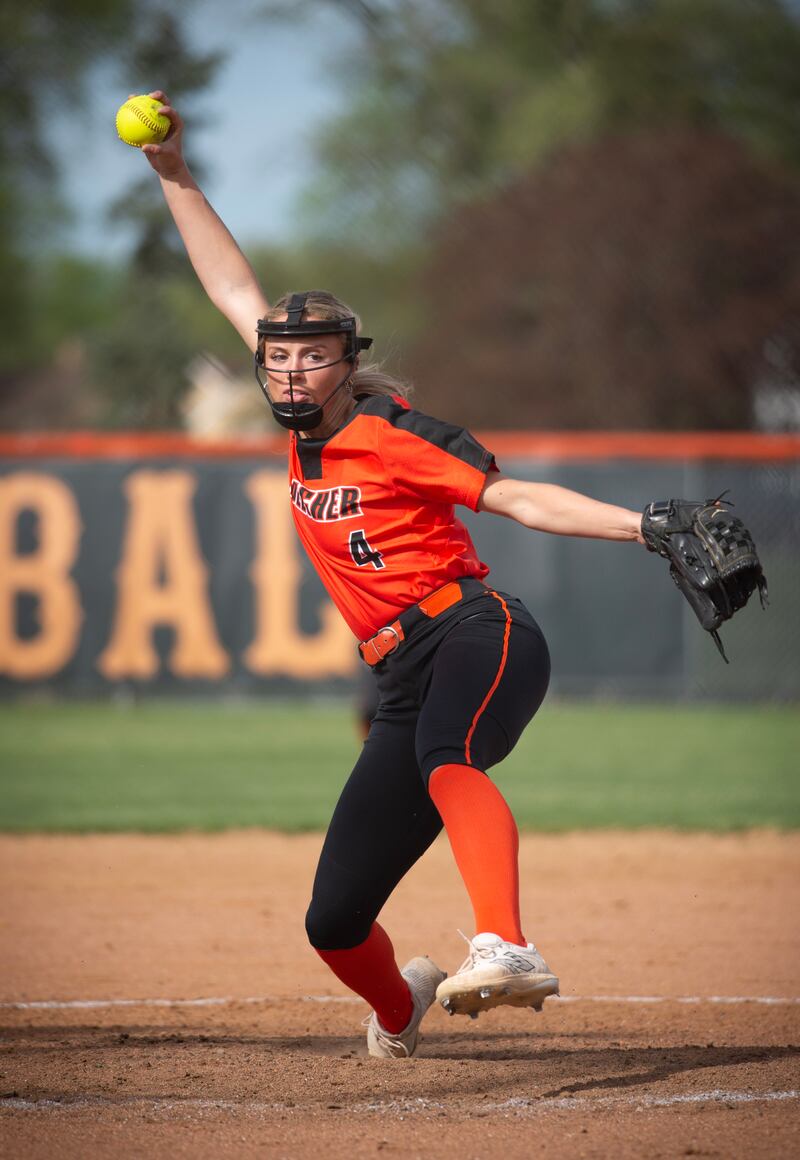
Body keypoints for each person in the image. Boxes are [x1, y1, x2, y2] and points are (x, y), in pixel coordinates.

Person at [140, 92, 646, 1059]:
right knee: (332, 920)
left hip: (476, 630)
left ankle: (507, 944)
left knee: (449, 756)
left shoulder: (394, 437)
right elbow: (230, 285)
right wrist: (174, 175)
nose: (292, 370)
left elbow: (521, 499)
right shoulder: (302, 435)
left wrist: (644, 529)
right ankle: (399, 1009)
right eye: (278, 357)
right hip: (397, 674)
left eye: (313, 356)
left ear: (346, 364)